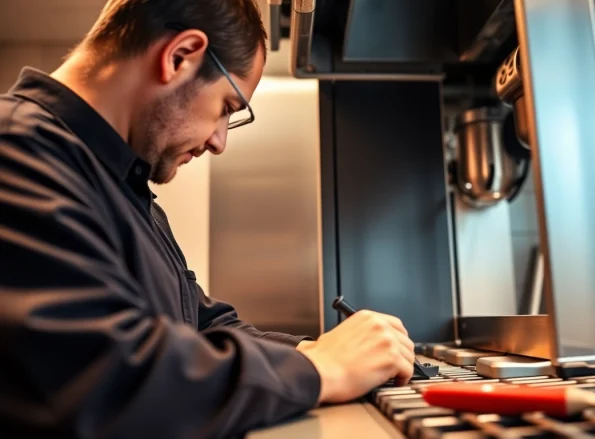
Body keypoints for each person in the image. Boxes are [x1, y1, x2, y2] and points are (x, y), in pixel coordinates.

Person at [0, 0, 416, 437]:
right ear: (179, 57)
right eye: (226, 108)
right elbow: (101, 378)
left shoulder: (125, 189)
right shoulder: (17, 151)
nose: (219, 142)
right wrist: (318, 368)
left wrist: (328, 350)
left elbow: (203, 325)